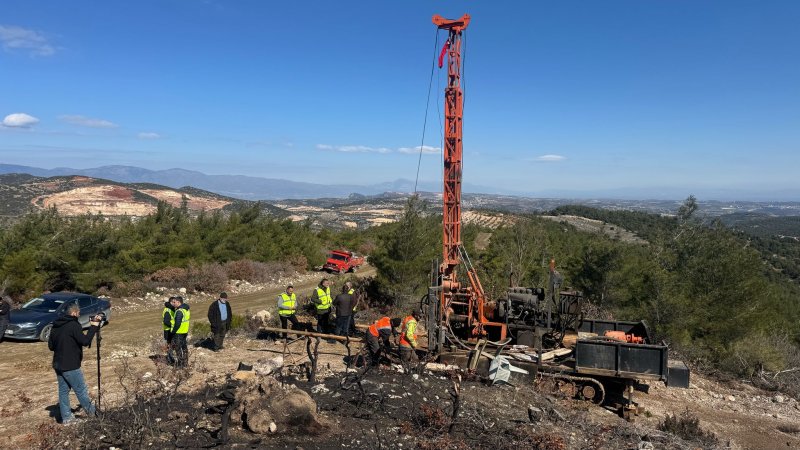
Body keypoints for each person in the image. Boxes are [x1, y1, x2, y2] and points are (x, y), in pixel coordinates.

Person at [48, 303, 102, 424]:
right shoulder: (73, 325)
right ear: (74, 313)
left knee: (63, 391)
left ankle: (67, 418)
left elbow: (51, 346)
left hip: (58, 364)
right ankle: (94, 414)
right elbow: (85, 341)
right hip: (70, 365)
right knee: (81, 390)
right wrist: (94, 327)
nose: (78, 315)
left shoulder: (56, 325)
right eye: (78, 313)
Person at [167, 296, 190, 367]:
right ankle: (185, 363)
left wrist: (173, 332)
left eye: (174, 302)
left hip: (178, 332)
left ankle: (180, 365)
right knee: (184, 347)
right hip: (184, 331)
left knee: (178, 349)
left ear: (178, 302)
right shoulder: (186, 309)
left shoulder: (179, 311)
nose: (173, 304)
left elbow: (177, 324)